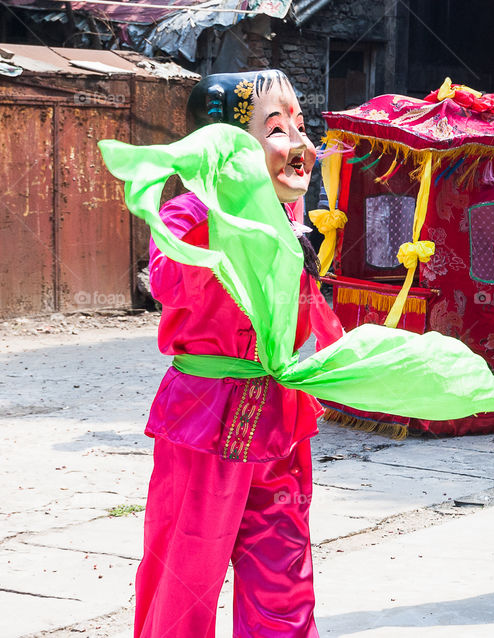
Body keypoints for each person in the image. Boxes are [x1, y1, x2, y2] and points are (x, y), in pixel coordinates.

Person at [133, 70, 345, 637]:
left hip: (280, 415)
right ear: (225, 145)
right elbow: (169, 282)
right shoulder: (188, 214)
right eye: (277, 128)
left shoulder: (292, 219)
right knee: (185, 573)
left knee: (285, 577)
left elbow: (306, 317)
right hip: (205, 417)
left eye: (301, 125)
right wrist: (235, 223)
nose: (302, 144)